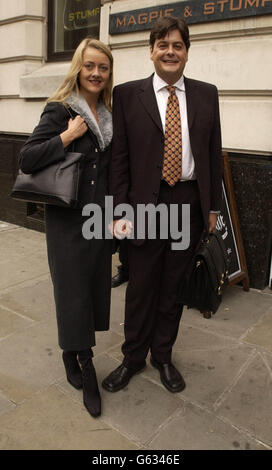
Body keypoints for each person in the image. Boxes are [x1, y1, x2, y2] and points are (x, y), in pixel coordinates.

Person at [102, 17, 222, 394]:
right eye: (163, 44)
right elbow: (119, 158)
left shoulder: (207, 94)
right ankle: (133, 357)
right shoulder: (126, 94)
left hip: (188, 202)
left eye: (178, 45)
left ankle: (163, 356)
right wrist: (119, 210)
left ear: (187, 51)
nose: (170, 51)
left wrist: (213, 206)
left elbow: (213, 154)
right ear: (151, 51)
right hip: (144, 206)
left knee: (172, 286)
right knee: (141, 285)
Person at [19, 39, 114, 417]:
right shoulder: (61, 110)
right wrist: (67, 136)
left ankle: (69, 350)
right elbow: (27, 158)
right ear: (78, 67)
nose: (95, 73)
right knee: (72, 292)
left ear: (109, 73)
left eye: (102, 68)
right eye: (89, 66)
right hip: (67, 220)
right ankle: (85, 365)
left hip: (99, 220)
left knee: (90, 290)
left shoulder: (109, 113)